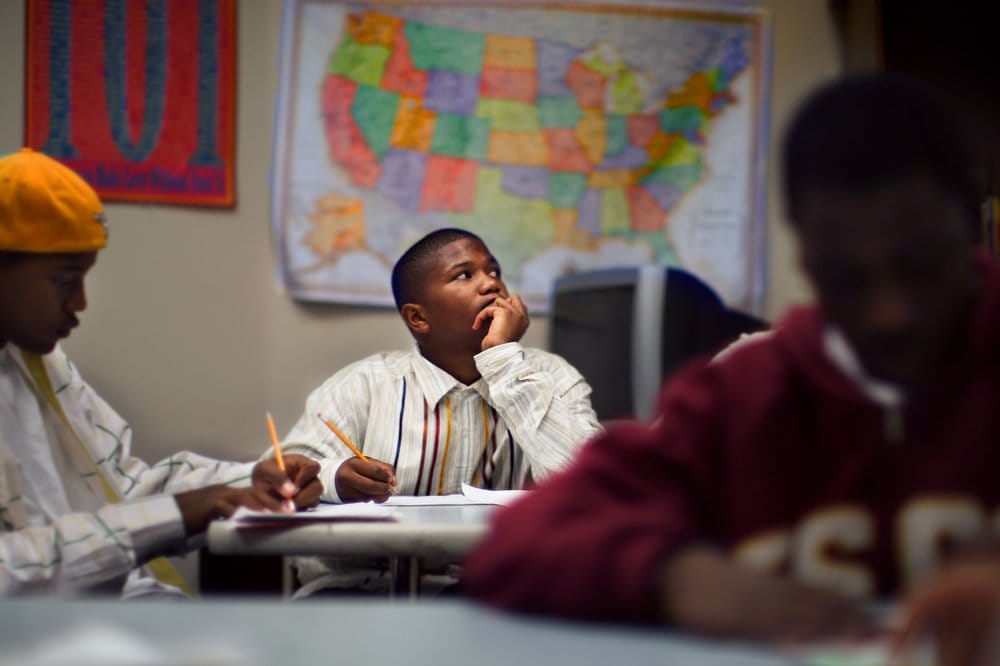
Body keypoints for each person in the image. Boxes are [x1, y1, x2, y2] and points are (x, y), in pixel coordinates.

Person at [461, 71, 1000, 644]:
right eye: (845, 279)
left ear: (975, 224)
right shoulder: (745, 395)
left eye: (921, 267)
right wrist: (672, 576)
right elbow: (515, 544)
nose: (890, 314)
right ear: (805, 252)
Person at [0, 148, 322, 597]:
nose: (80, 303)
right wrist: (182, 512)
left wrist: (246, 485)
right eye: (63, 280)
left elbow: (126, 490)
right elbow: (10, 571)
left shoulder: (43, 368)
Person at [280, 227, 600, 594]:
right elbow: (286, 474)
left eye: (493, 271)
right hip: (365, 590)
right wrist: (337, 478)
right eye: (464, 275)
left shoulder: (552, 376)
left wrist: (505, 362)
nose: (491, 285)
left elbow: (593, 488)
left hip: (500, 591)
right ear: (418, 318)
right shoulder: (364, 384)